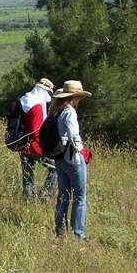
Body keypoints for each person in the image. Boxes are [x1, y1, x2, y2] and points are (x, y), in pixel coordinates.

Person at [50, 80, 92, 239]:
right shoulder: (69, 112)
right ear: (75, 97)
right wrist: (82, 151)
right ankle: (78, 234)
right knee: (80, 197)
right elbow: (74, 135)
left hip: (60, 158)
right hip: (73, 158)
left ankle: (60, 231)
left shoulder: (57, 111)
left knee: (63, 194)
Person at [18, 78, 57, 201]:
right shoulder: (37, 106)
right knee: (55, 168)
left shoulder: (23, 100)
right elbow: (36, 131)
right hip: (35, 146)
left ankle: (28, 199)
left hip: (21, 143)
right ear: (44, 91)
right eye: (49, 93)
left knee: (28, 174)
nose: (49, 96)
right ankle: (45, 197)